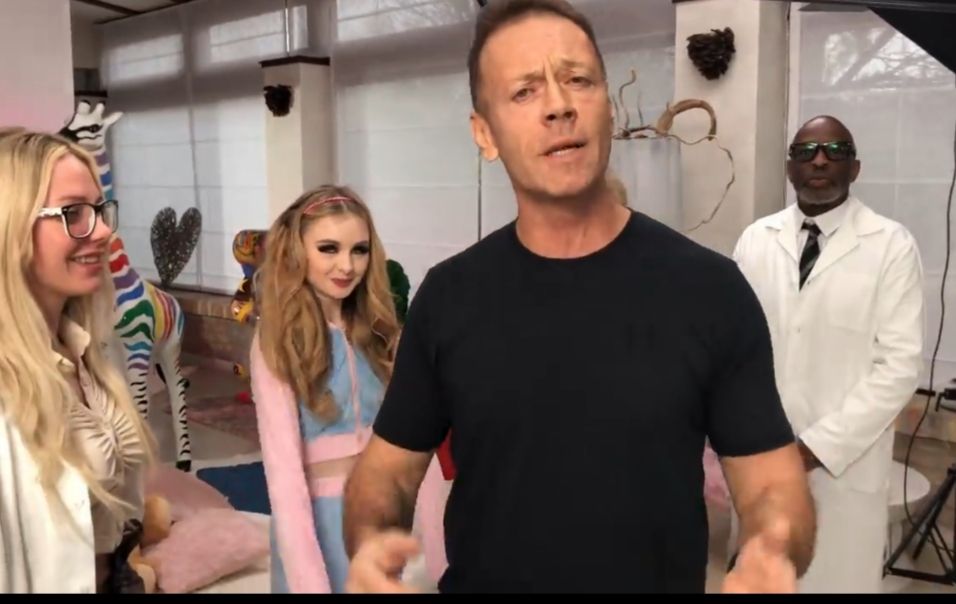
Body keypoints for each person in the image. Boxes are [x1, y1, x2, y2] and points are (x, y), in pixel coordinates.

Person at [342, 0, 815, 594]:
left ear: (607, 107)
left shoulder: (709, 290)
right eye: (524, 91)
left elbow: (772, 484)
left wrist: (771, 549)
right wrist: (371, 540)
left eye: (578, 80)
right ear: (484, 134)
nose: (558, 105)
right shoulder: (450, 297)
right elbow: (388, 473)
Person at [732, 116, 924, 593]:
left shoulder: (891, 246)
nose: (819, 160)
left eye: (835, 150)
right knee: (765, 578)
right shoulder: (756, 239)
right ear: (789, 168)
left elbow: (899, 369)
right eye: (806, 151)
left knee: (837, 580)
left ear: (855, 167)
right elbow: (734, 345)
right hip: (762, 457)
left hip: (844, 467)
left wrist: (814, 449)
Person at [249, 185, 446, 593]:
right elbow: (284, 478)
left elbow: (415, 446)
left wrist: (442, 554)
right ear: (297, 250)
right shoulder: (276, 342)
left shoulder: (383, 334)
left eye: (359, 250)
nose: (346, 265)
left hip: (379, 514)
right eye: (328, 249)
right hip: (318, 524)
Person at [0, 128, 153, 593]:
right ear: (11, 226)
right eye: (73, 213)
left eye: (100, 211)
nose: (103, 231)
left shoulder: (89, 348)